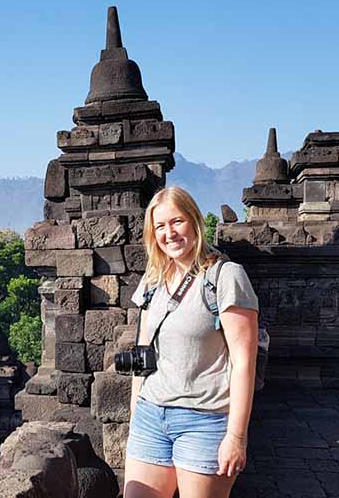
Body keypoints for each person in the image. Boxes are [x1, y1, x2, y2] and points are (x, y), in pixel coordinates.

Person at [124, 186, 259, 498]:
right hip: (151, 416)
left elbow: (243, 363)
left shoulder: (225, 277)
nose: (169, 233)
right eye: (160, 226)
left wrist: (236, 437)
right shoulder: (153, 280)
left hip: (204, 420)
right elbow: (143, 356)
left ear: (194, 222)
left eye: (177, 222)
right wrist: (135, 418)